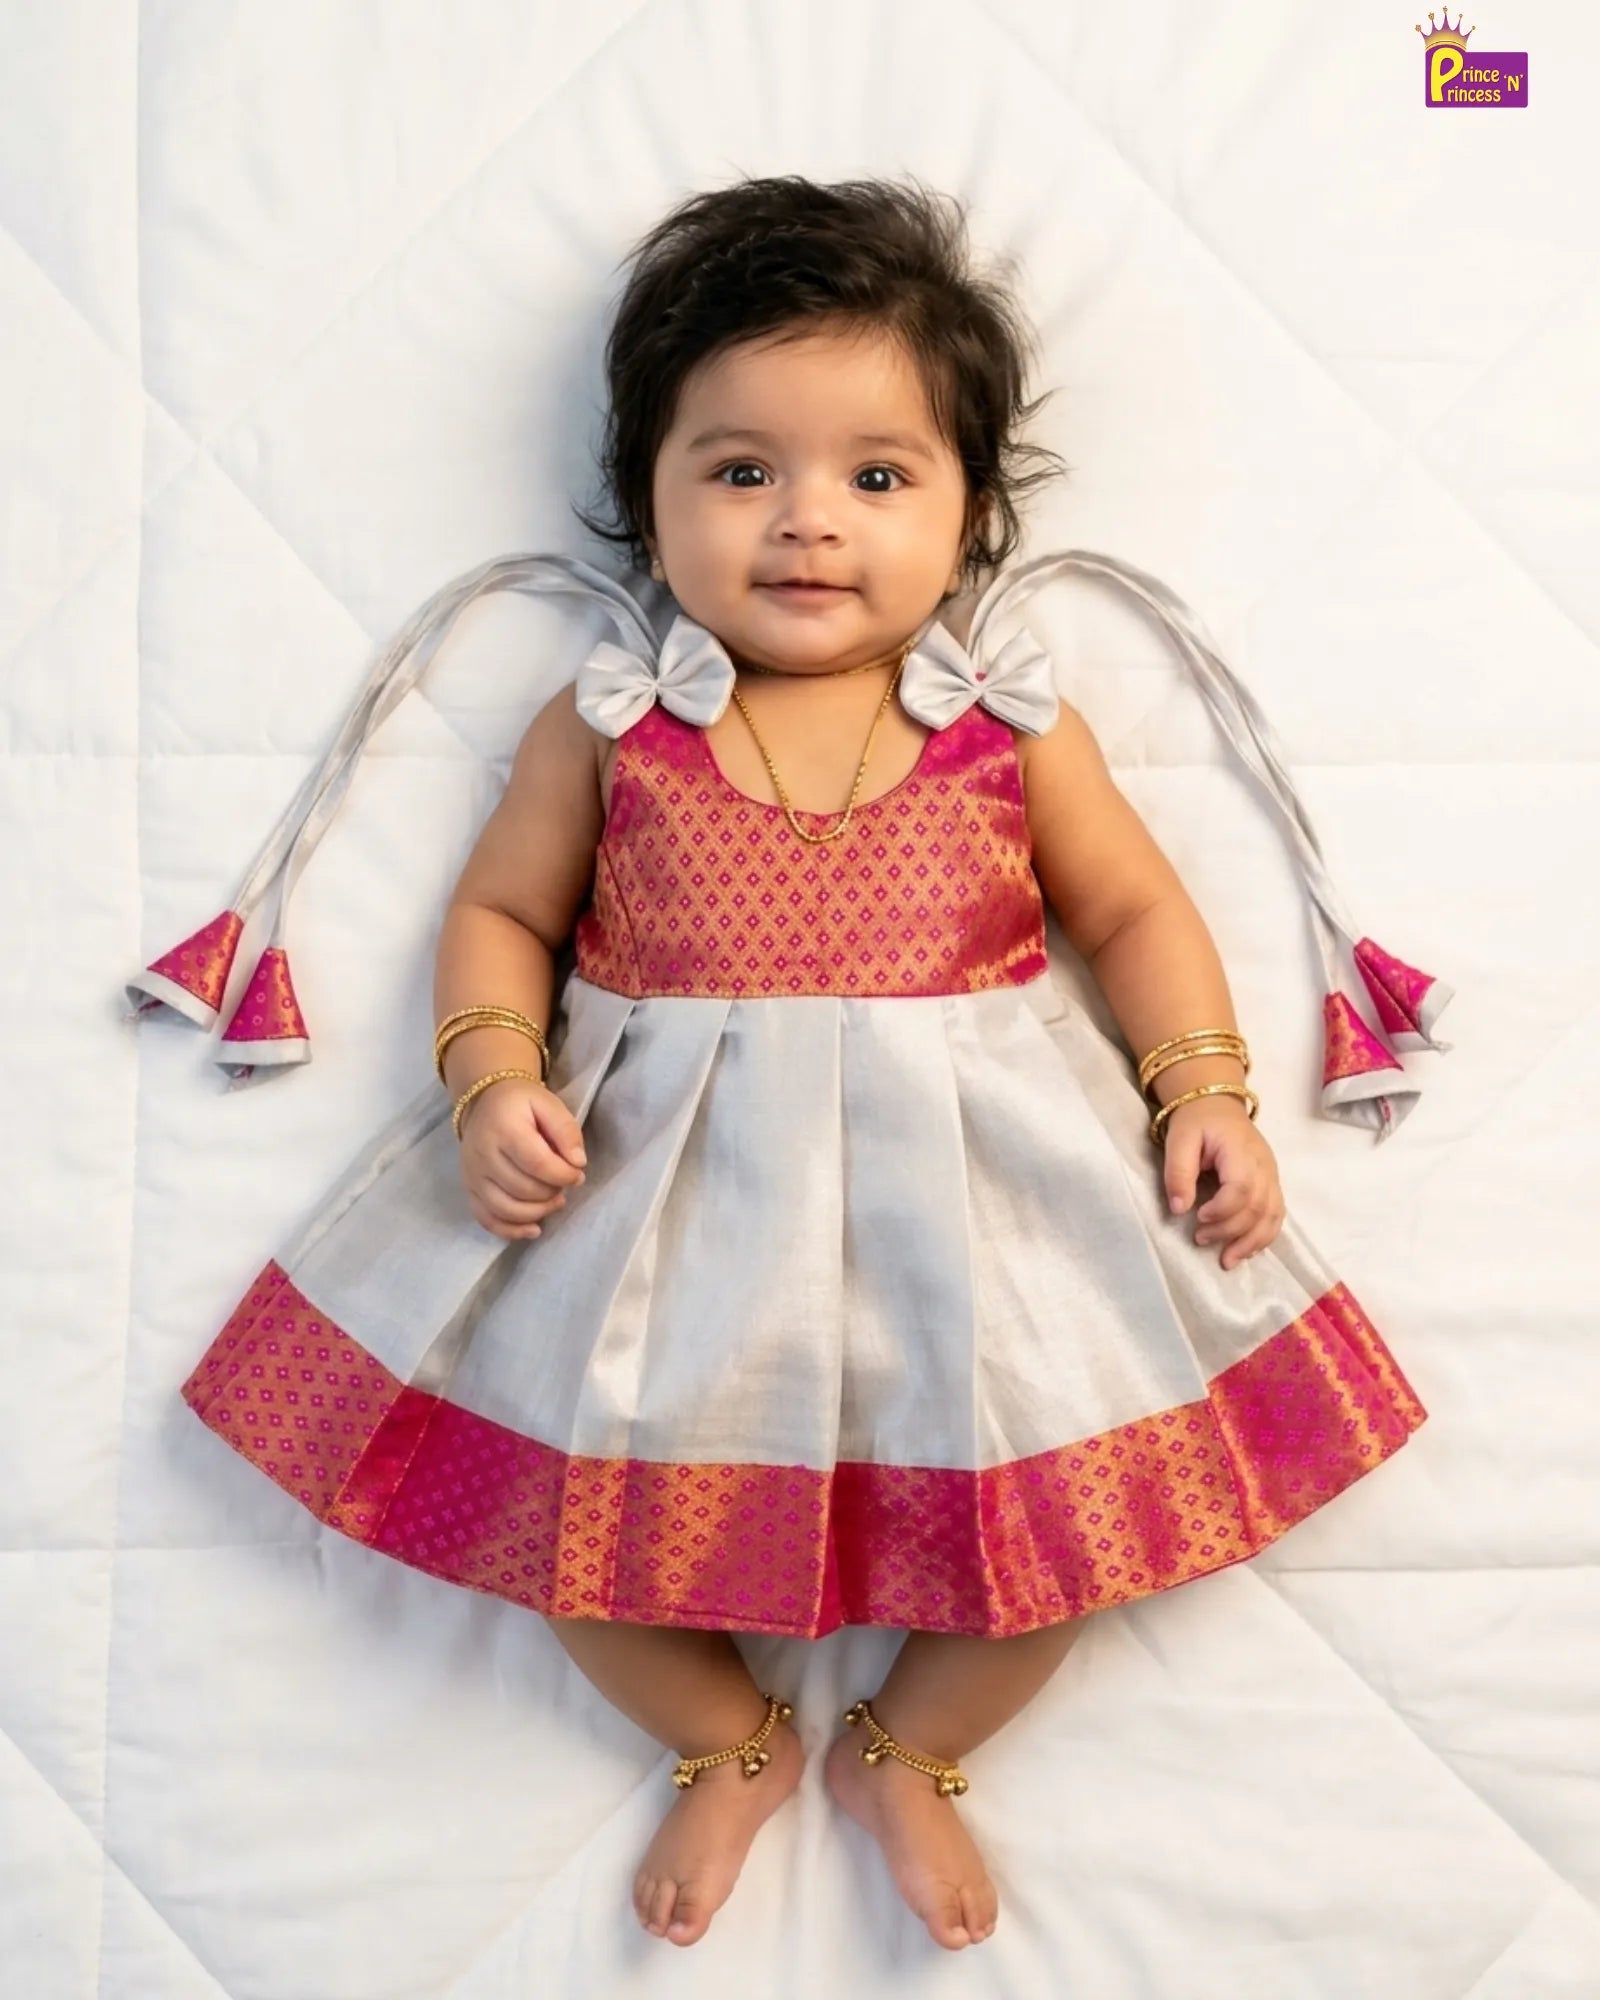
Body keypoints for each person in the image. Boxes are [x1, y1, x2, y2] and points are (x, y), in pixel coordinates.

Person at [165, 173, 1433, 1954]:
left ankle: (910, 1747)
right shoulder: (609, 724)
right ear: (649, 500)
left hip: (982, 1213)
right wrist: (488, 1077)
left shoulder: (1010, 730)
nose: (806, 523)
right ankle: (726, 1735)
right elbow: (506, 914)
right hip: (670, 1210)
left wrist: (1203, 1086)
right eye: (739, 469)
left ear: (970, 511)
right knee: (554, 1524)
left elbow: (1134, 913)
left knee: (1070, 1522)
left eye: (878, 476)